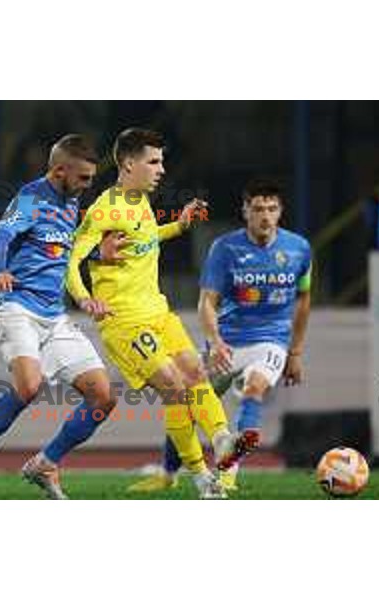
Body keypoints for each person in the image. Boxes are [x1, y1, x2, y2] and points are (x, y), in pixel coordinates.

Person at [66, 128, 236, 499]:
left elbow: (145, 240)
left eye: (162, 161)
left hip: (157, 310)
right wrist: (84, 298)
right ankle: (201, 474)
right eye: (154, 161)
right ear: (128, 163)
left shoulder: (140, 201)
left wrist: (179, 225)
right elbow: (72, 257)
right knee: (174, 386)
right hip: (123, 320)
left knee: (193, 371)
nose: (162, 169)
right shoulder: (104, 209)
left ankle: (222, 438)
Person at [0, 134, 118, 500]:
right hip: (18, 307)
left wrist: (96, 255)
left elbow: (60, 250)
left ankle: (46, 463)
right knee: (29, 386)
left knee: (103, 397)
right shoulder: (31, 197)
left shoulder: (71, 203)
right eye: (84, 178)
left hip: (54, 316)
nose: (88, 186)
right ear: (60, 171)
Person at [129, 178, 312, 493]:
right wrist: (215, 342)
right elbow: (207, 302)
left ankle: (228, 473)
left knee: (254, 389)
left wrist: (294, 352)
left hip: (271, 341)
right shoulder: (225, 248)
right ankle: (168, 473)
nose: (265, 216)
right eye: (257, 209)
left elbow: (304, 299)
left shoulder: (299, 249)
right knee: (187, 399)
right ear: (245, 211)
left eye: (272, 208)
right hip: (226, 343)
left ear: (281, 211)